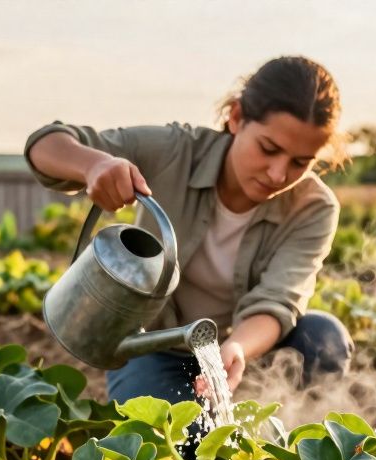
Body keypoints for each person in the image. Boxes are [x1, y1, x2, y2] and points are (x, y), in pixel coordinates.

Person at [24, 55, 353, 409]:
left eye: (300, 163)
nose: (278, 174)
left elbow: (278, 302)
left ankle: (301, 442)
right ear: (237, 117)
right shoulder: (175, 152)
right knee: (177, 452)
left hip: (241, 352)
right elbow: (44, 145)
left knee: (323, 339)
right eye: (268, 149)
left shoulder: (313, 207)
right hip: (153, 348)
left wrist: (236, 349)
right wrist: (95, 165)